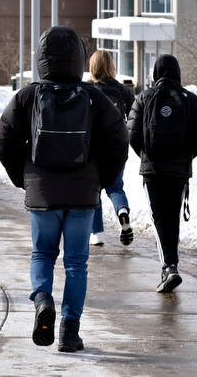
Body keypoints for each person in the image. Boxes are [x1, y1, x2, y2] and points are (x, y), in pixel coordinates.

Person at [0, 26, 128, 353]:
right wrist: (104, 180)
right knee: (76, 263)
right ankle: (70, 331)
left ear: (41, 58)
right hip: (84, 194)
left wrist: (22, 177)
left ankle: (43, 300)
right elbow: (118, 140)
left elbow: (3, 138)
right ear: (79, 58)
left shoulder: (28, 95)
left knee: (42, 253)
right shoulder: (94, 97)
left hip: (42, 194)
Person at [126, 54, 197, 293]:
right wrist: (186, 156)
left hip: (152, 170)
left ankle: (169, 266)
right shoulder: (191, 100)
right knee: (172, 217)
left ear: (155, 73)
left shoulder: (143, 98)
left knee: (159, 217)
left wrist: (146, 155)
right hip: (179, 170)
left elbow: (131, 133)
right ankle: (170, 266)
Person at [87, 50, 136, 247]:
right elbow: (135, 118)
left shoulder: (88, 90)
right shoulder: (124, 91)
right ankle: (122, 211)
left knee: (94, 190)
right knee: (115, 187)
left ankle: (97, 233)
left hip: (94, 148)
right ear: (111, 66)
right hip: (117, 146)